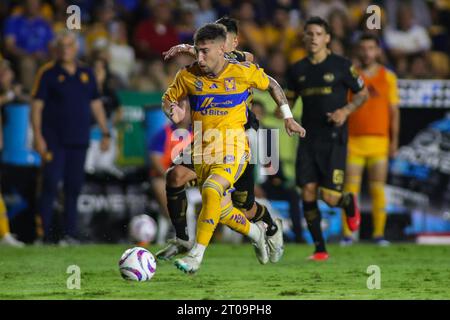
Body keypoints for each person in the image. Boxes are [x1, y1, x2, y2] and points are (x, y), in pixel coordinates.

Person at [162, 23, 305, 274]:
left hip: (238, 143)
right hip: (203, 147)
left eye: (206, 50)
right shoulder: (188, 74)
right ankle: (251, 234)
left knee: (234, 201)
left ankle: (199, 253)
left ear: (227, 46)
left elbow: (271, 83)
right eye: (198, 51)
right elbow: (169, 97)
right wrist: (172, 109)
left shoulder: (242, 67)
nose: (201, 56)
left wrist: (288, 117)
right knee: (217, 204)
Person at [286, 17, 369, 261]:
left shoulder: (342, 65)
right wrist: (285, 115)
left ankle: (347, 201)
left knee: (330, 197)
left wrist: (345, 111)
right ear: (304, 37)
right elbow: (288, 100)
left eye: (318, 33)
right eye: (309, 33)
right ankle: (320, 250)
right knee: (308, 193)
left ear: (328, 38)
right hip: (308, 139)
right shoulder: (297, 70)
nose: (313, 38)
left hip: (334, 138)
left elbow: (363, 94)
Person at [31, 31, 110, 244]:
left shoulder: (86, 73)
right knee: (50, 183)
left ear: (76, 48)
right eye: (62, 46)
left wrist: (105, 131)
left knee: (73, 187)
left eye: (69, 45)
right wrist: (38, 136)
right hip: (54, 139)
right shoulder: (47, 73)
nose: (65, 49)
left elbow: (95, 103)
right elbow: (37, 106)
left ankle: (70, 234)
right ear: (56, 49)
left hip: (79, 139)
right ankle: (44, 235)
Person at [341, 34, 400, 246]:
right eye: (363, 48)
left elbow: (394, 112)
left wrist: (394, 142)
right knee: (350, 190)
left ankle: (378, 235)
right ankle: (348, 235)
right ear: (358, 51)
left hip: (379, 141)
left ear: (378, 51)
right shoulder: (350, 75)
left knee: (377, 189)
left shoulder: (388, 77)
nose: (367, 52)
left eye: (371, 48)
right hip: (354, 141)